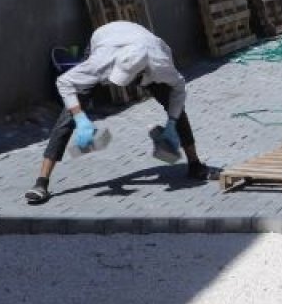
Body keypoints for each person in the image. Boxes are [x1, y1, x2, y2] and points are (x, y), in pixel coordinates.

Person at [23, 21, 213, 204]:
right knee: (69, 115)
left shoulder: (161, 65)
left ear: (143, 74)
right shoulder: (100, 62)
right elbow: (64, 82)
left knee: (176, 107)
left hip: (145, 45)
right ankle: (41, 183)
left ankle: (195, 165)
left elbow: (179, 89)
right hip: (106, 39)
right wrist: (80, 118)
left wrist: (171, 123)